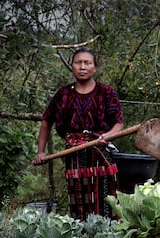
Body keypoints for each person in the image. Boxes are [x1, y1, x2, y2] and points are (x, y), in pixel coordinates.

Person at [33, 47, 124, 220]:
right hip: (73, 155)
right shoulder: (63, 94)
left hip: (101, 153)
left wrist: (108, 136)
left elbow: (118, 123)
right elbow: (47, 120)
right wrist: (41, 151)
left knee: (105, 199)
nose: (82, 66)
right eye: (78, 62)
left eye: (87, 63)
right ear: (72, 66)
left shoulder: (106, 92)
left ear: (94, 68)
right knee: (78, 200)